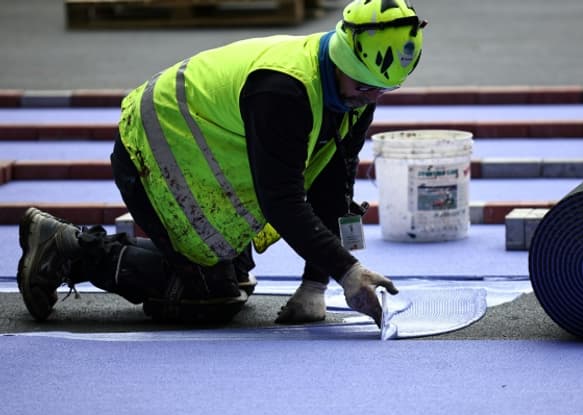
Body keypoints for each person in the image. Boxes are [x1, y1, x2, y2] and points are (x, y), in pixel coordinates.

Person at [16, 0, 426, 325]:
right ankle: (70, 248)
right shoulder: (285, 90)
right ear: (343, 60)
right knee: (209, 298)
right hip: (155, 153)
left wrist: (315, 284)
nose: (372, 98)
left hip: (201, 159)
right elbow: (281, 201)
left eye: (383, 91)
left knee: (238, 279)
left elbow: (333, 186)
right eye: (365, 87)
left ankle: (180, 261)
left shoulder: (352, 93)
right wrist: (347, 271)